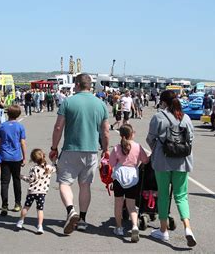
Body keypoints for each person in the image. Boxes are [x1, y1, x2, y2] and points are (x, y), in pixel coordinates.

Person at [49, 74, 110, 235]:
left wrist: (54, 147)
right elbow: (105, 131)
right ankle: (82, 219)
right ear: (90, 86)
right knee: (85, 185)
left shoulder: (68, 102)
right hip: (91, 150)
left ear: (76, 85)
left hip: (71, 149)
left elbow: (58, 127)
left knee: (64, 182)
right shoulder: (100, 104)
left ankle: (71, 210)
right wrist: (105, 148)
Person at [146, 90, 197, 247]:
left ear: (163, 102)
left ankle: (163, 231)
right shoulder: (186, 118)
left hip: (163, 161)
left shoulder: (159, 117)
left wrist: (158, 148)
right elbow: (191, 138)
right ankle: (187, 228)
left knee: (163, 195)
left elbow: (150, 138)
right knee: (181, 196)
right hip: (182, 161)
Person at [109, 124, 149, 242]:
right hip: (132, 177)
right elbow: (145, 160)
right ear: (132, 134)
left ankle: (119, 227)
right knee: (131, 206)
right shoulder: (137, 146)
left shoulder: (117, 148)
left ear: (121, 135)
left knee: (118, 204)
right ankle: (135, 226)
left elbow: (111, 163)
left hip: (119, 177)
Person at [0, 105, 27, 216]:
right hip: (16, 157)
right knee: (16, 180)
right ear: (18, 115)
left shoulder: (2, 126)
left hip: (4, 156)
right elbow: (22, 142)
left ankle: (4, 205)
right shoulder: (20, 127)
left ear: (7, 114)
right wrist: (24, 157)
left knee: (4, 182)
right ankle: (17, 204)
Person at [16, 149, 56, 234]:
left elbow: (30, 179)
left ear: (33, 159)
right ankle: (40, 226)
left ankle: (21, 221)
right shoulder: (48, 168)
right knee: (40, 209)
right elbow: (55, 168)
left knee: (26, 207)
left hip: (32, 191)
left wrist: (22, 177)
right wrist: (54, 161)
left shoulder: (34, 168)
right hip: (42, 193)